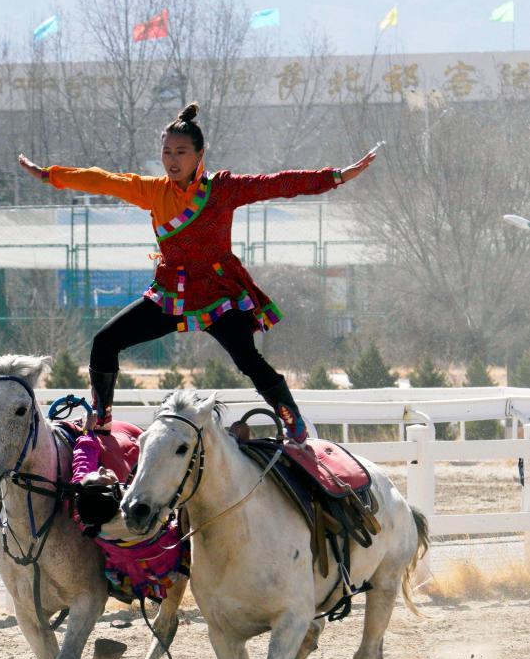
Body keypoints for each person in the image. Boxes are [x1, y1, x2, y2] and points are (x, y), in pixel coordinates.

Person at [19, 103, 376, 444]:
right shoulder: (153, 191)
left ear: (199, 155)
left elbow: (276, 183)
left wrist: (336, 177)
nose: (172, 160)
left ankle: (289, 416)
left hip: (218, 295)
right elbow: (102, 181)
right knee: (104, 342)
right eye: (167, 152)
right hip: (172, 295)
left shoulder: (222, 189)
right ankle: (101, 417)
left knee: (247, 360)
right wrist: (51, 175)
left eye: (181, 152)